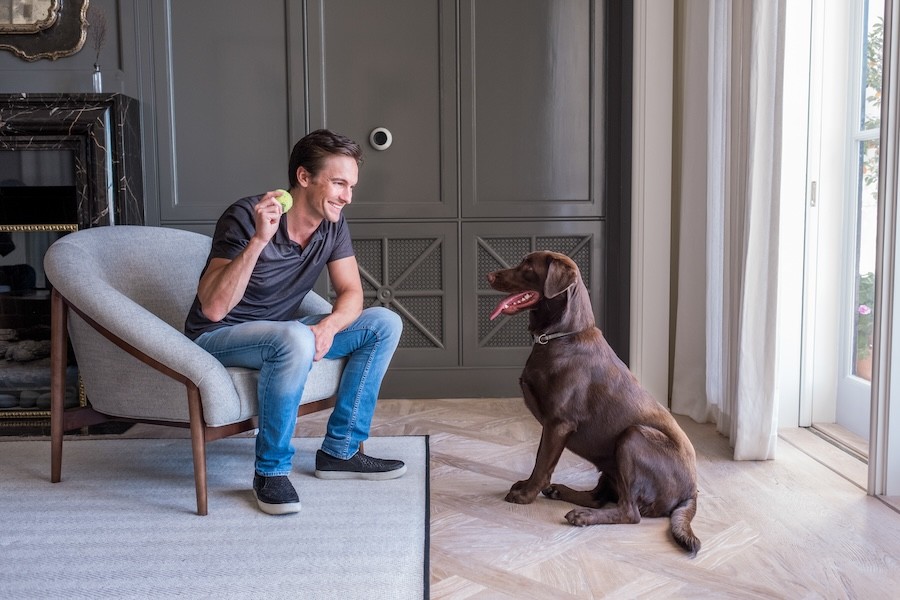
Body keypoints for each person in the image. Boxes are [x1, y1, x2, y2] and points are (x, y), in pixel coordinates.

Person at [184, 129, 405, 515]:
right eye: (338, 183)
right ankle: (270, 472)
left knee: (383, 322)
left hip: (283, 336)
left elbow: (351, 292)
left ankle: (340, 451)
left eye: (351, 186)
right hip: (218, 337)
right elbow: (214, 309)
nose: (347, 196)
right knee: (292, 337)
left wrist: (329, 326)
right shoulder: (244, 217)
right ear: (304, 177)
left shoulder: (333, 224)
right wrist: (258, 241)